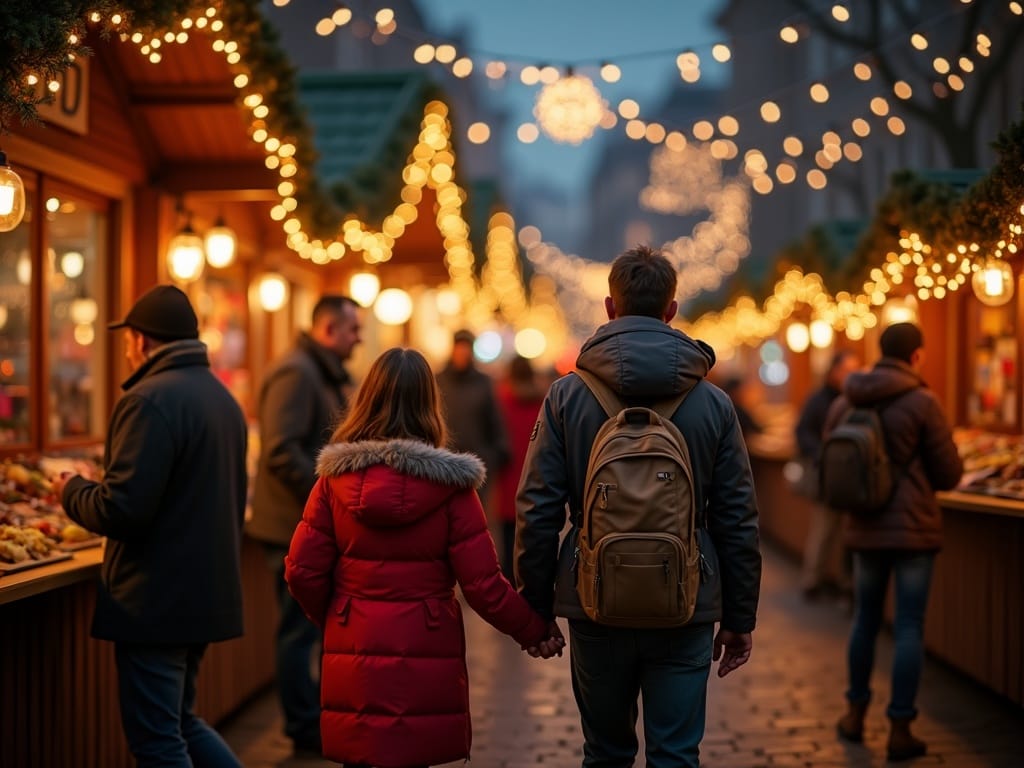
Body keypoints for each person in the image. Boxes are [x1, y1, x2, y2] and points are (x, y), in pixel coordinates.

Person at [515, 244, 762, 767]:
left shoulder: (566, 396)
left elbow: (536, 508)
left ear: (609, 307)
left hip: (594, 596)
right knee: (676, 752)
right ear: (672, 309)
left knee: (605, 752)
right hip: (686, 598)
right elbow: (737, 515)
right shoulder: (714, 402)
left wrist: (535, 609)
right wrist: (739, 616)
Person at [284, 347, 563, 768]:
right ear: (429, 404)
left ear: (366, 399)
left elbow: (301, 571)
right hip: (426, 644)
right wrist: (534, 631)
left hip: (354, 645)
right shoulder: (452, 489)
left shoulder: (332, 483)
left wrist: (339, 615)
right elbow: (484, 585)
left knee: (359, 756)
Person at [53, 284, 248, 768]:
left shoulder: (147, 400)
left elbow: (123, 510)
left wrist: (70, 489)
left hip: (156, 600)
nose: (124, 349)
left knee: (159, 742)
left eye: (126, 340)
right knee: (182, 724)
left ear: (141, 340)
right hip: (202, 594)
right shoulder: (222, 400)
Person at [826, 322, 962, 761]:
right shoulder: (923, 401)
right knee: (907, 627)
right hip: (913, 531)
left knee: (864, 621)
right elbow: (949, 473)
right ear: (917, 356)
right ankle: (900, 728)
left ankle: (853, 715)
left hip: (864, 527)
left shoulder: (847, 398)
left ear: (878, 351)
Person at [247, 295, 362, 757]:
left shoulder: (320, 372)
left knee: (306, 631)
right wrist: (327, 500)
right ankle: (302, 726)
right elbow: (281, 450)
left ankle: (308, 719)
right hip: (289, 527)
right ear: (329, 329)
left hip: (304, 525)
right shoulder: (298, 373)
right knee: (298, 632)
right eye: (353, 329)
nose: (359, 338)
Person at [796, 350, 861, 601]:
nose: (851, 375)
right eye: (847, 369)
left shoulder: (855, 399)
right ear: (834, 371)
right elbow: (803, 433)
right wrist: (823, 455)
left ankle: (846, 583)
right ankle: (812, 581)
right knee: (823, 531)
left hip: (853, 478)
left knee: (849, 534)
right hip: (827, 477)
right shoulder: (818, 400)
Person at [435, 329, 510, 519]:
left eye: (466, 348)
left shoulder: (483, 383)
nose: (462, 353)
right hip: (443, 462)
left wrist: (496, 454)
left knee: (473, 518)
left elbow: (494, 421)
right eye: (459, 348)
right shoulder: (438, 380)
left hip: (476, 463)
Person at [495, 354, 546, 579]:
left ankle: (510, 580)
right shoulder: (543, 402)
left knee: (508, 538)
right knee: (535, 537)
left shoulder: (501, 400)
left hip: (507, 479)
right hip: (537, 479)